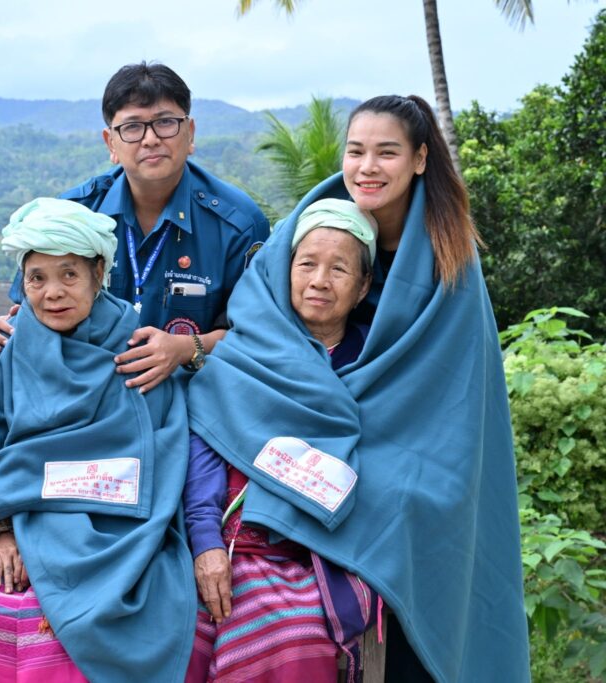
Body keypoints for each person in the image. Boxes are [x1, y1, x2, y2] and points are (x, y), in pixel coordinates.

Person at [186, 95, 529, 683]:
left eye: (387, 153)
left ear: (420, 159)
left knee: (403, 514)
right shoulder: (313, 226)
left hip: (407, 447)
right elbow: (258, 332)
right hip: (301, 431)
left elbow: (453, 394)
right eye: (356, 151)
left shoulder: (448, 259)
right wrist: (194, 350)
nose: (368, 167)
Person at [0, 198, 196, 682]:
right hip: (23, 516)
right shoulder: (4, 347)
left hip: (119, 525)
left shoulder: (140, 350)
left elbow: (163, 451)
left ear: (99, 273)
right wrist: (2, 529)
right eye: (36, 278)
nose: (52, 293)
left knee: (139, 610)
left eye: (69, 275)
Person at [0, 62, 271, 392]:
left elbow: (258, 335)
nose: (150, 139)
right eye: (132, 127)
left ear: (190, 133)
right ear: (110, 143)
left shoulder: (239, 223)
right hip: (88, 393)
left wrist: (186, 348)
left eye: (165, 122)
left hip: (197, 392)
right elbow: (30, 310)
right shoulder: (72, 215)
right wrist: (1, 329)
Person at [184, 199, 377, 682]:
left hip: (321, 555)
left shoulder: (377, 365)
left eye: (339, 269)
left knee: (291, 635)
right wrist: (205, 542)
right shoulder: (241, 354)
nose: (319, 281)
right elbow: (205, 449)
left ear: (363, 286)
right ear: (284, 271)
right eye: (307, 264)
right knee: (173, 622)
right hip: (225, 540)